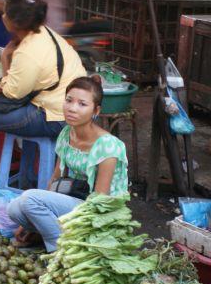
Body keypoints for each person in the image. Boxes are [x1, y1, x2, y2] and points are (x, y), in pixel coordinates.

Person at [8, 76, 129, 251]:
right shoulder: (67, 133)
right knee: (15, 208)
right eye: (69, 101)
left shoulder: (108, 146)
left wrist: (36, 208)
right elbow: (56, 178)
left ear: (96, 110)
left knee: (29, 199)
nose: (72, 108)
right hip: (73, 200)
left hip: (99, 214)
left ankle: (59, 250)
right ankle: (55, 235)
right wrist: (29, 222)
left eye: (82, 104)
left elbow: (100, 201)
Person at [0, 0, 87, 138]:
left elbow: (13, 94)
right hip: (76, 107)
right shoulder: (44, 32)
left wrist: (5, 57)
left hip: (60, 118)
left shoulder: (27, 51)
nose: (2, 16)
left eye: (5, 12)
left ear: (11, 21)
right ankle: (29, 160)